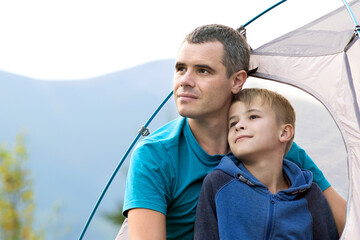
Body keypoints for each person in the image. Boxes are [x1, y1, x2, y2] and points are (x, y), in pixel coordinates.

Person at [117, 24, 346, 240]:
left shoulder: (270, 146)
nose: (185, 81)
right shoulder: (155, 155)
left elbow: (345, 220)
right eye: (180, 69)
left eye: (203, 71)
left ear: (237, 81)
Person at [194, 88, 339, 240]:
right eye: (233, 123)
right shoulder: (218, 183)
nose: (238, 126)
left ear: (284, 133)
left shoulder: (310, 195)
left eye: (253, 116)